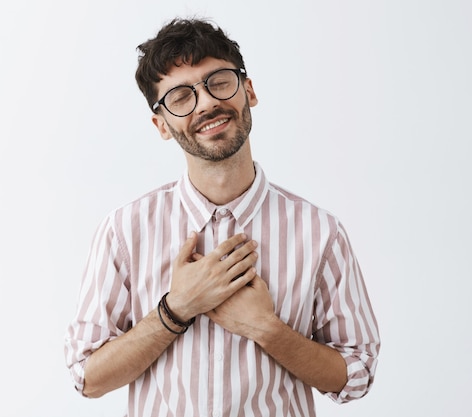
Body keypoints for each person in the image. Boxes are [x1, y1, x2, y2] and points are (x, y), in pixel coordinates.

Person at [64, 17, 380, 417]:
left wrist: (267, 329)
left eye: (219, 82)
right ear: (161, 125)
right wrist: (176, 309)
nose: (208, 103)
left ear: (248, 90)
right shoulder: (124, 231)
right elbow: (87, 377)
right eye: (180, 96)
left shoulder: (320, 232)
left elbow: (357, 375)